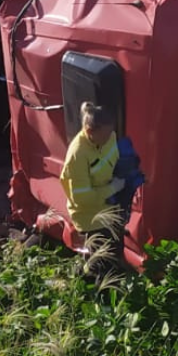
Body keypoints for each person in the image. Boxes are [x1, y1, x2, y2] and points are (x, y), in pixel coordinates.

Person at [60, 101, 128, 274]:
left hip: (109, 207)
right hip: (90, 216)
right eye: (104, 135)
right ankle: (96, 291)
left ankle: (85, 278)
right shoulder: (78, 155)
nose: (108, 138)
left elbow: (114, 158)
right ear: (89, 131)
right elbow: (82, 198)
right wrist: (113, 188)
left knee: (115, 250)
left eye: (109, 133)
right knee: (104, 262)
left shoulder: (109, 136)